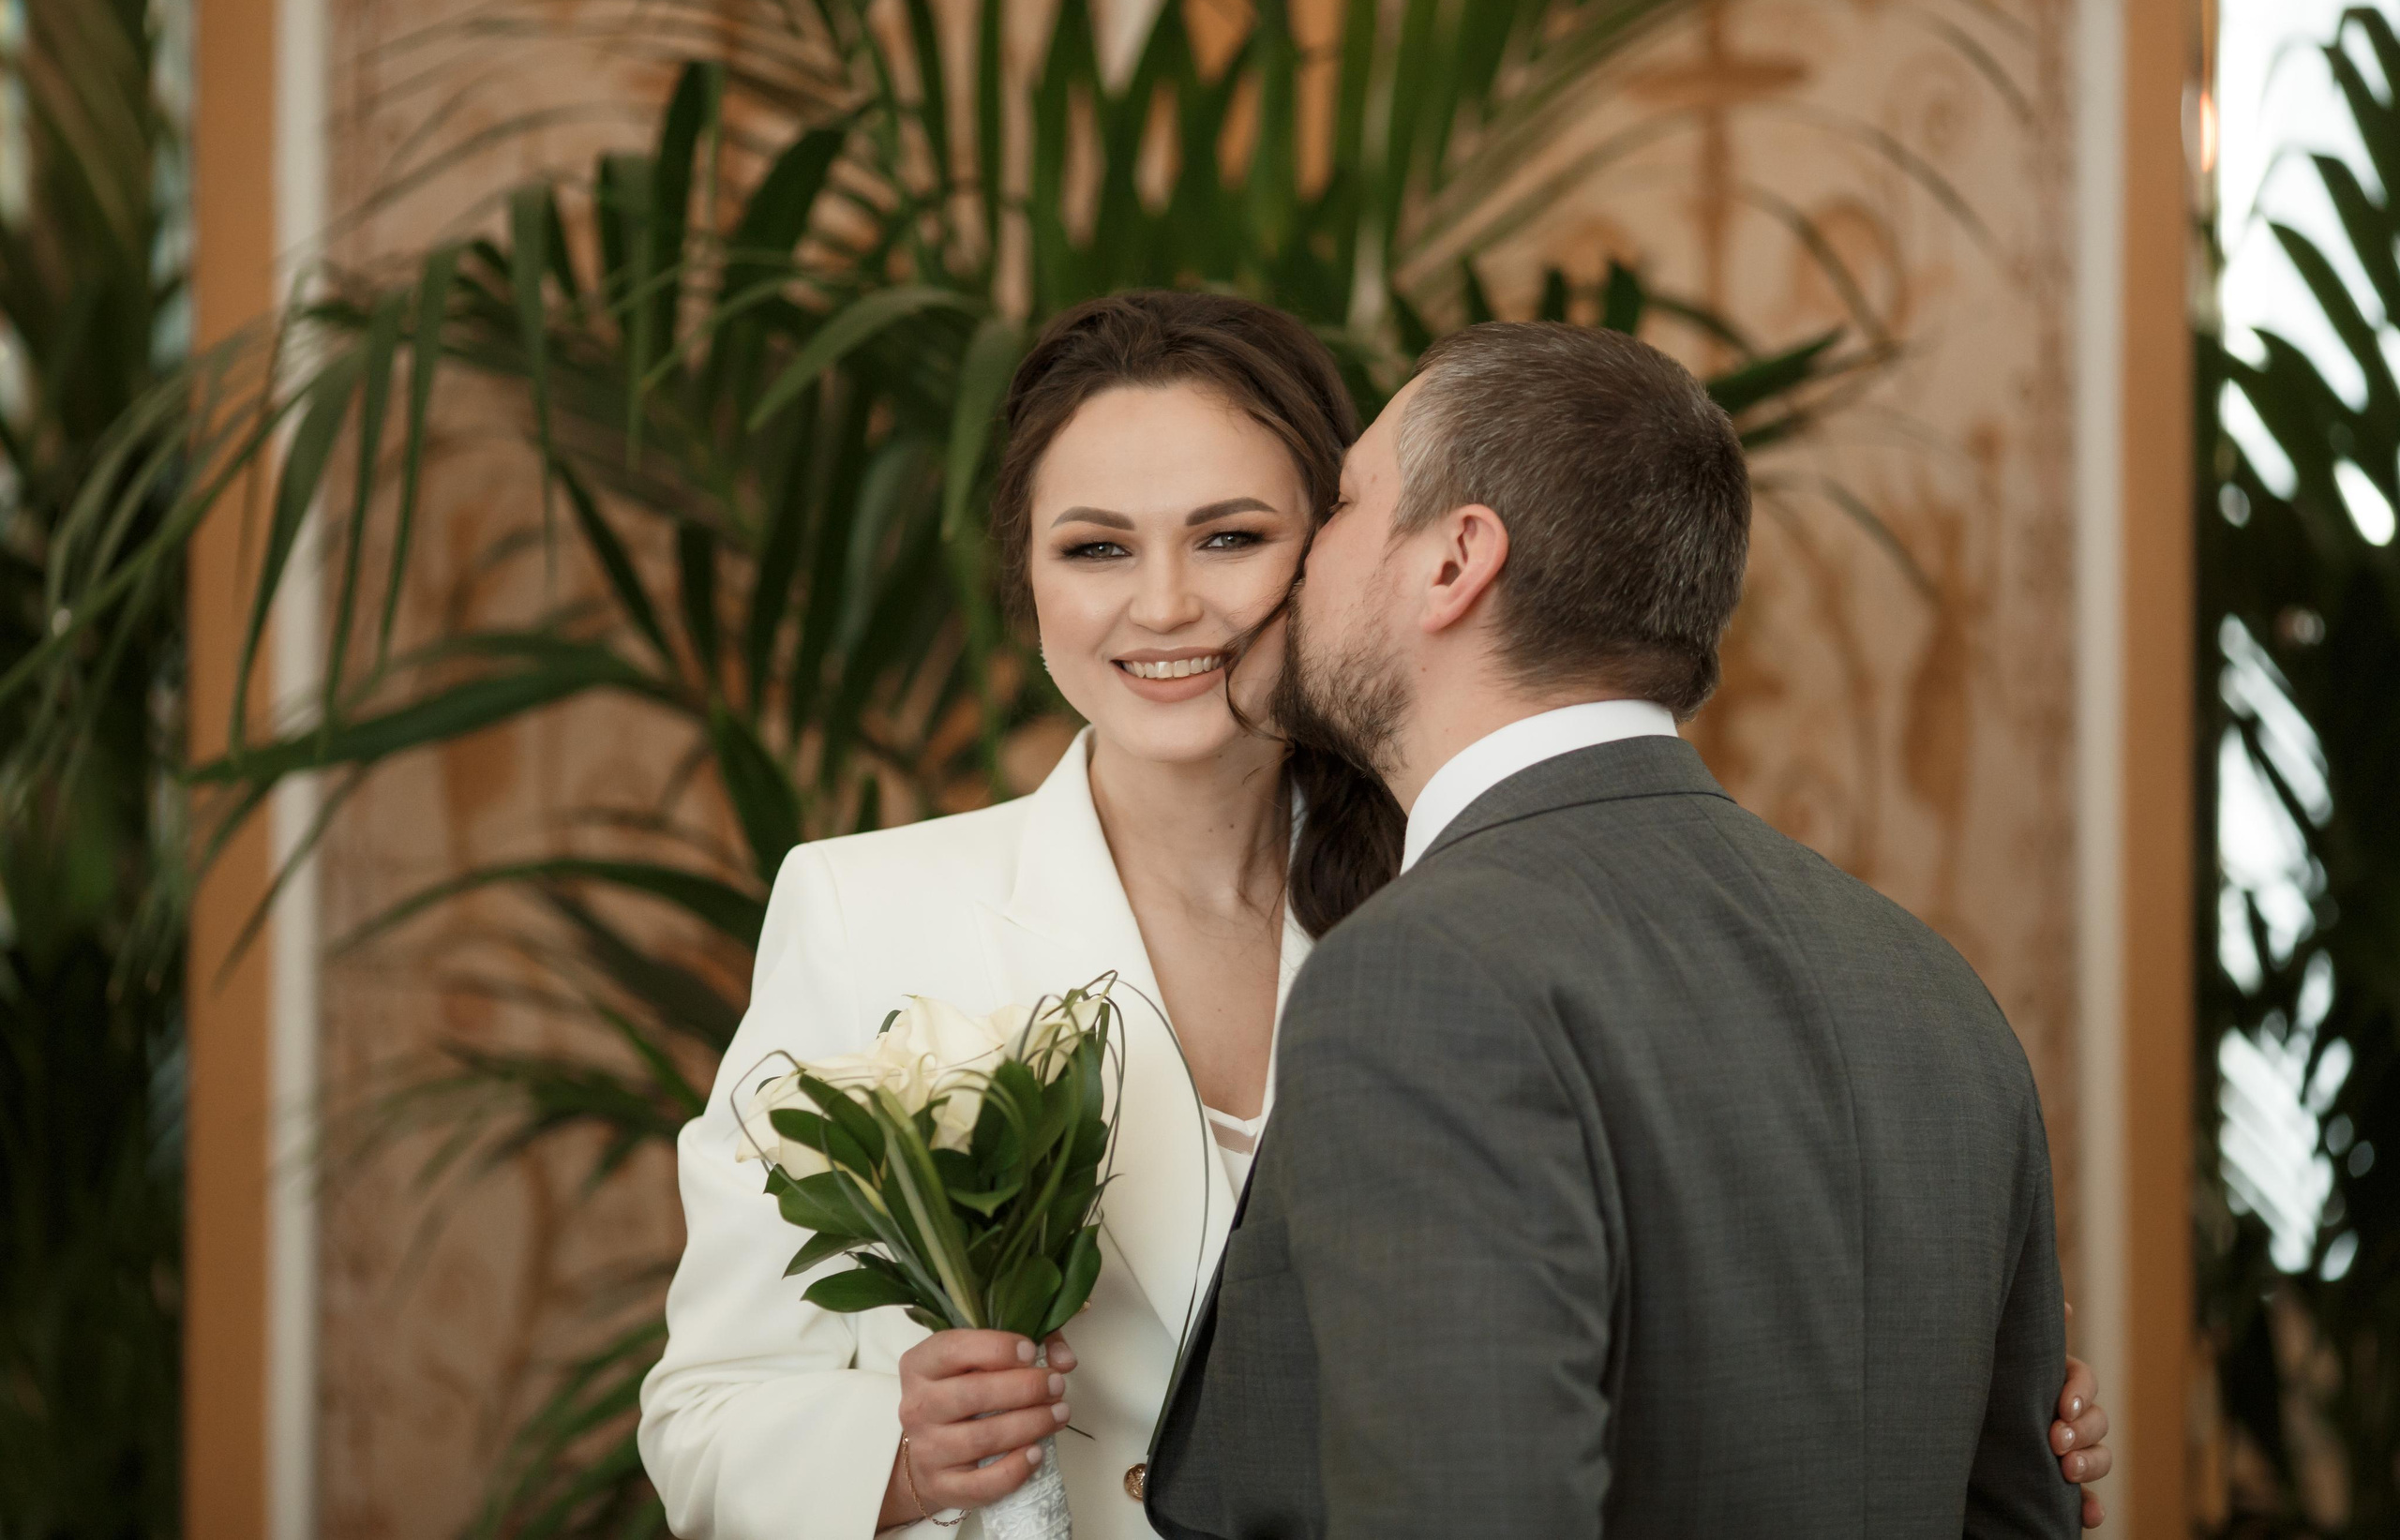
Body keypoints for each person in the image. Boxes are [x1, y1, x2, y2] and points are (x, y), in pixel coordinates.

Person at [638, 293, 2111, 1539]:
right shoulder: (862, 909)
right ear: (1026, 577)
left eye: (1234, 536)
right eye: (1093, 548)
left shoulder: (1474, 927)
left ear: (1359, 554)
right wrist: (886, 1462)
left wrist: (1922, 1380)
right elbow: (701, 1408)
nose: (1164, 605)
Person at [1144, 321, 2095, 1538]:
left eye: (1339, 510)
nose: (1296, 570)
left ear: (1454, 563)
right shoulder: (1929, 988)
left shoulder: (1422, 981)